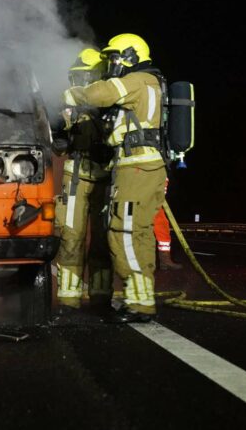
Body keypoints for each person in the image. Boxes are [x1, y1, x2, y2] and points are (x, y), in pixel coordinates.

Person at [65, 33, 166, 323]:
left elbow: (99, 94)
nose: (112, 62)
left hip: (137, 166)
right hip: (135, 166)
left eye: (116, 56)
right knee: (135, 232)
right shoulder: (147, 82)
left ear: (133, 55)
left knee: (126, 232)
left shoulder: (139, 80)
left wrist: (74, 95)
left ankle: (140, 304)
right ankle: (139, 299)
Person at [52, 48, 113, 316]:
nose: (80, 82)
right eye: (76, 77)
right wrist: (58, 137)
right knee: (70, 237)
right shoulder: (67, 104)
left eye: (85, 76)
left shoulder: (112, 103)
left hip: (105, 176)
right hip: (75, 173)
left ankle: (100, 297)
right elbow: (56, 138)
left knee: (102, 238)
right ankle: (68, 299)